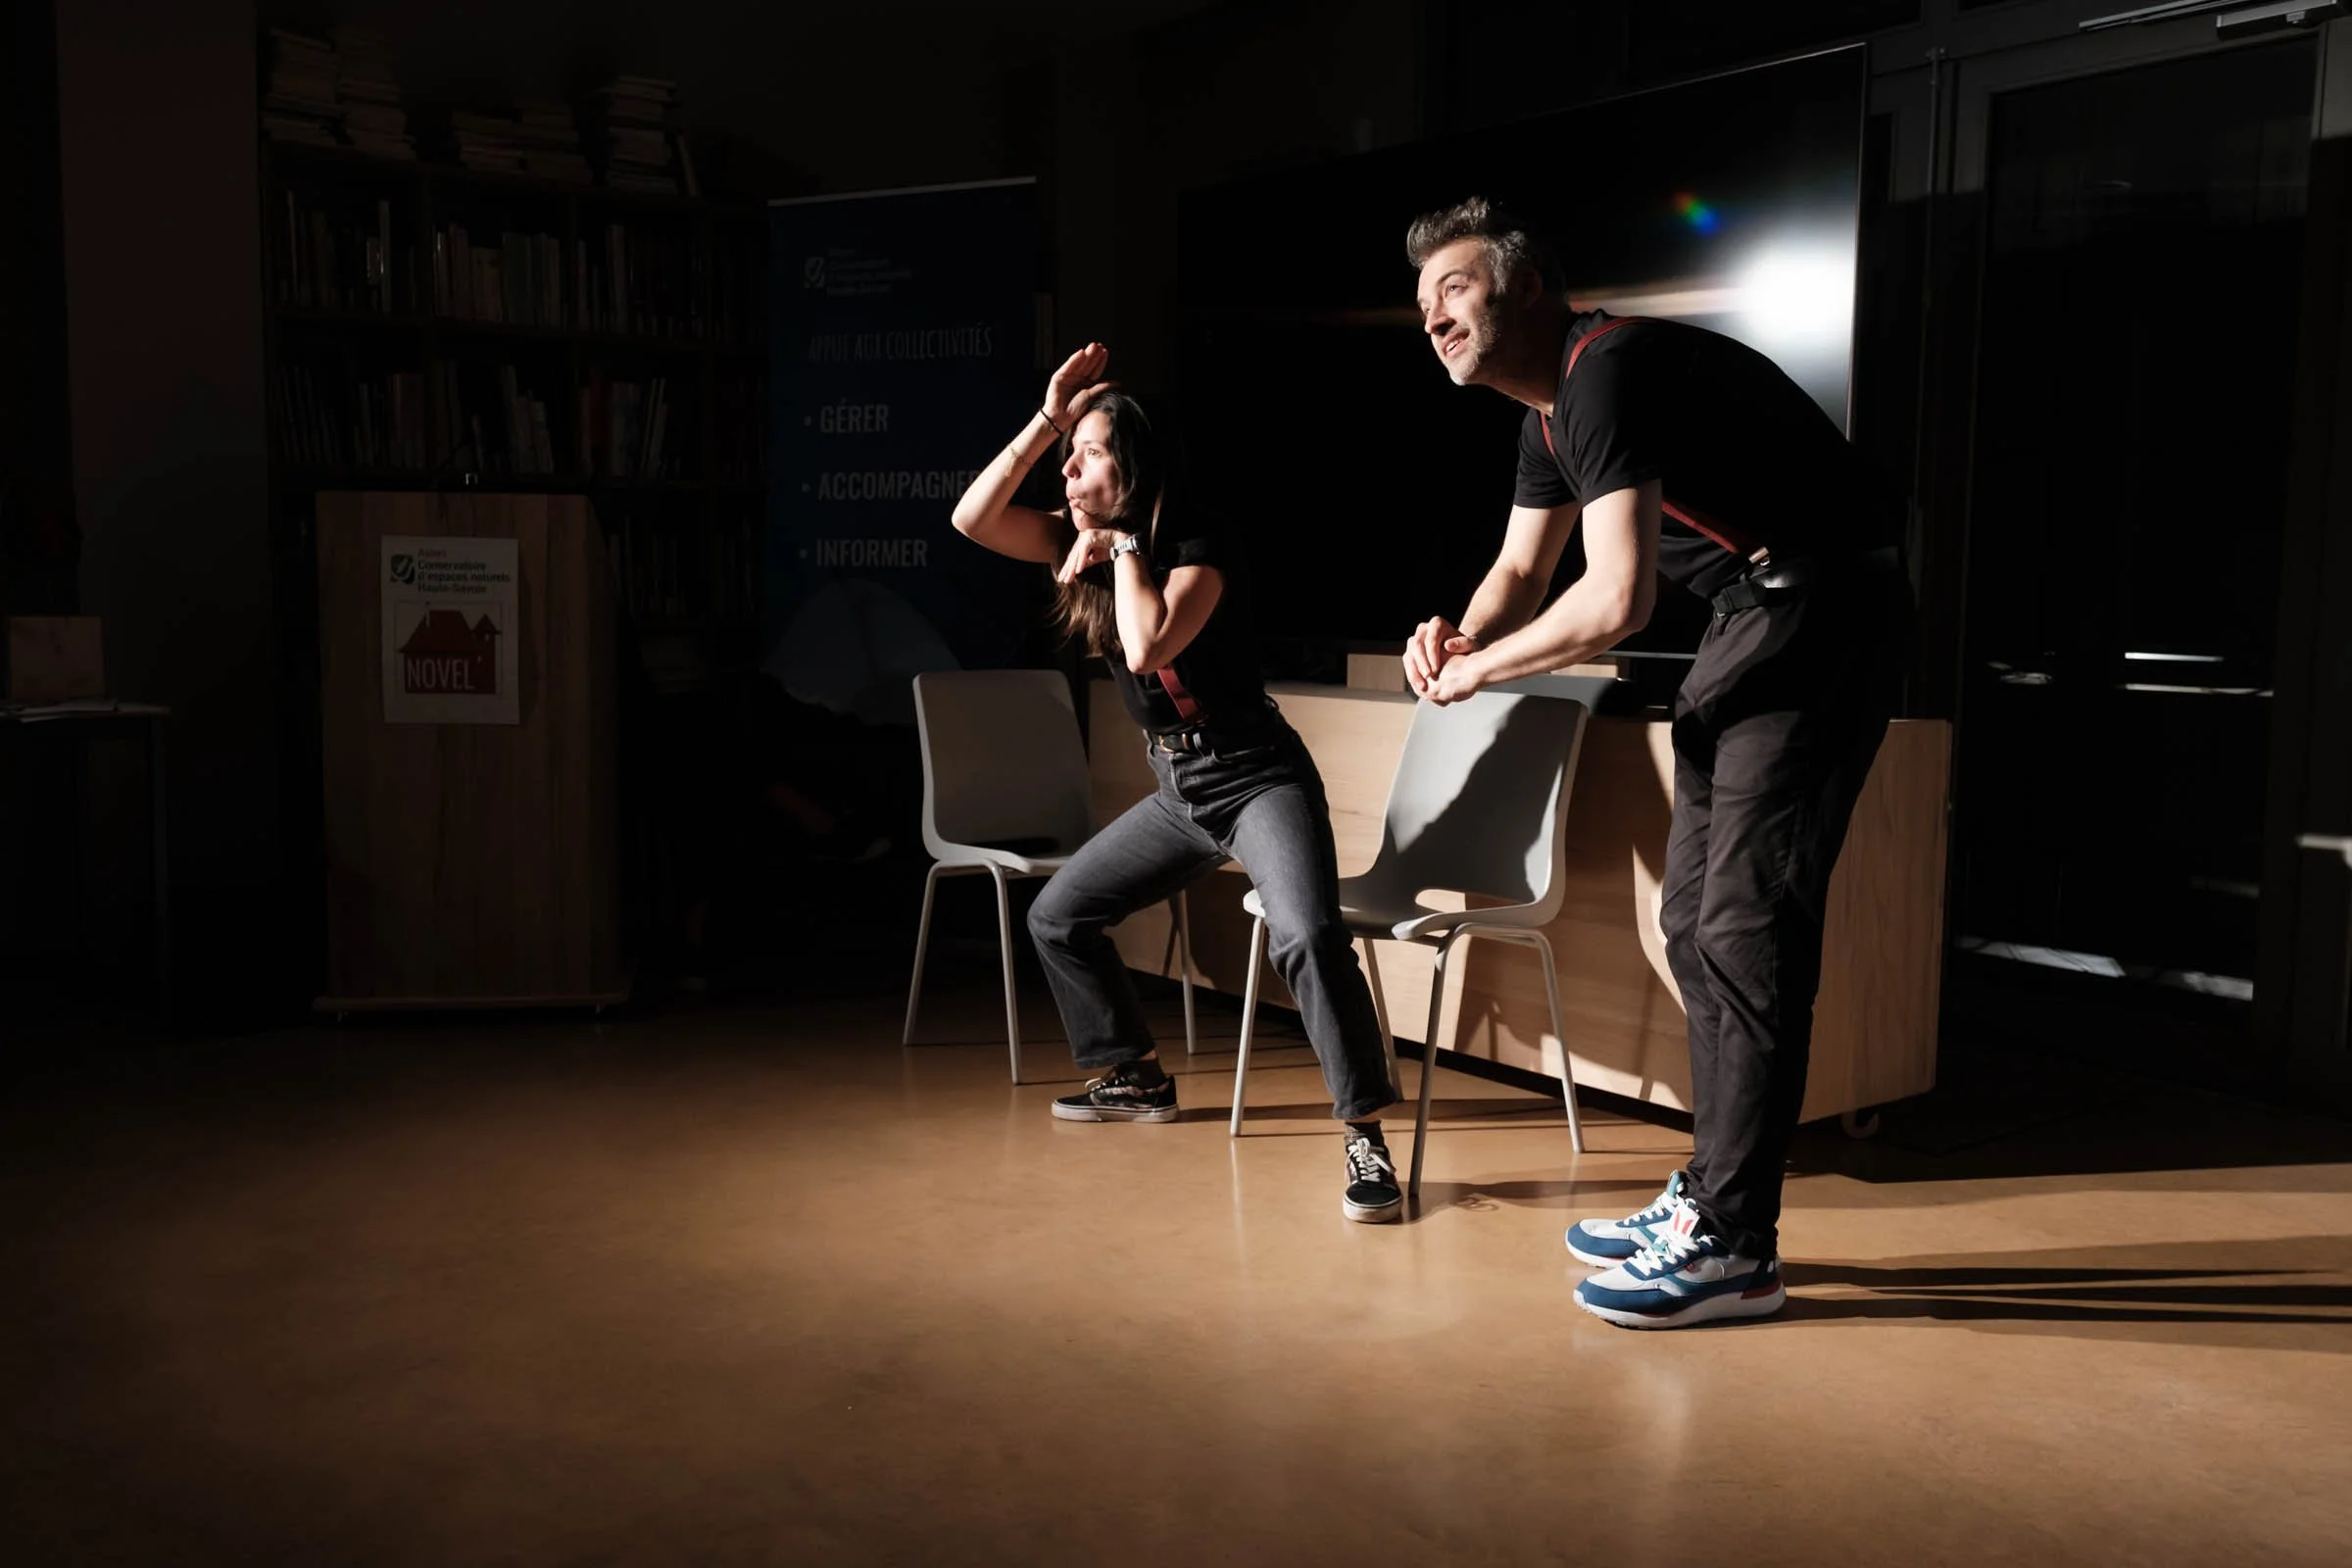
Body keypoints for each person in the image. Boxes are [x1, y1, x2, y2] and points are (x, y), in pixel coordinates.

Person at [1402, 198, 1911, 1325]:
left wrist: (1485, 676)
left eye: (1454, 288)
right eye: (1421, 300)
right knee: (1693, 919)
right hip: (1755, 614)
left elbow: (1617, 598)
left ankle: (1738, 1242)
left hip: (1825, 605)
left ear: (1525, 286)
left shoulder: (1606, 372)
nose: (1432, 315)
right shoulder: (1546, 420)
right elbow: (1520, 573)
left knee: (1744, 925)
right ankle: (1712, 1196)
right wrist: (1458, 637)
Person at [949, 344, 1405, 1223]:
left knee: (1306, 936)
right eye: (1065, 452)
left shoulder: (1198, 539)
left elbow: (1152, 642)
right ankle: (1133, 1073)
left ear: (1138, 464)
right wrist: (1048, 417)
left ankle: (1364, 1137)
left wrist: (1121, 545)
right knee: (1057, 916)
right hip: (1179, 790)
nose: (1068, 466)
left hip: (1258, 778)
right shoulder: (1068, 542)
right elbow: (972, 520)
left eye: (1087, 451)